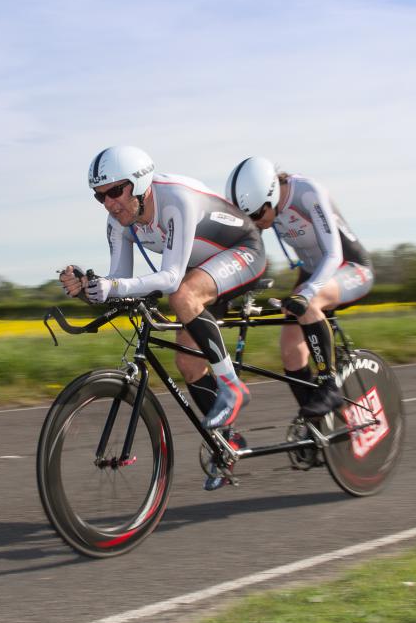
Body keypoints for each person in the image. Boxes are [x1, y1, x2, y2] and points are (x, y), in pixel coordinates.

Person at [61, 146, 267, 450]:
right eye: (100, 195)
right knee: (187, 362)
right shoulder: (118, 223)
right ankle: (229, 444)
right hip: (202, 269)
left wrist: (113, 285)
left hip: (243, 251)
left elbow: (170, 279)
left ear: (140, 183)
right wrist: (87, 288)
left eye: (115, 191)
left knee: (182, 294)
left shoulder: (175, 199)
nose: (109, 204)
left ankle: (233, 387)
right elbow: (119, 281)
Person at [225, 156, 374, 417]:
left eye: (259, 214)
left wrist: (306, 293)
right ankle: (315, 425)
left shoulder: (306, 193)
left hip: (350, 268)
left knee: (309, 303)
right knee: (290, 354)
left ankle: (329, 387)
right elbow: (248, 253)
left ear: (271, 194)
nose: (257, 222)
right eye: (250, 218)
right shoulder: (262, 207)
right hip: (311, 276)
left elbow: (333, 255)